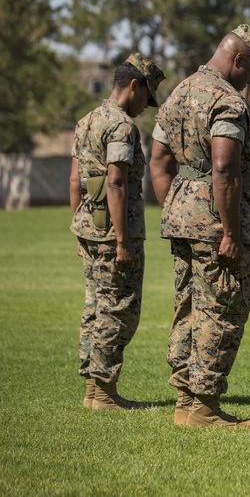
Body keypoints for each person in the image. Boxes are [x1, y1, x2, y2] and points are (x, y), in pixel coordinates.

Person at [148, 24, 250, 428]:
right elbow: (224, 168)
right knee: (221, 307)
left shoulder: (178, 93)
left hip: (183, 219)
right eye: (249, 72)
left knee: (188, 306)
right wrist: (231, 233)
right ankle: (203, 406)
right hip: (216, 224)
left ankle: (186, 397)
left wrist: (178, 207)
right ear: (238, 60)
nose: (248, 84)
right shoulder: (225, 101)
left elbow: (159, 162)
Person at [70, 53, 164, 410]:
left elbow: (75, 180)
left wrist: (76, 227)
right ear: (134, 86)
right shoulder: (121, 126)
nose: (146, 106)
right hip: (114, 234)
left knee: (95, 307)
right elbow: (116, 182)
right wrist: (123, 241)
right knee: (119, 309)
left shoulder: (85, 122)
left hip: (90, 230)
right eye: (147, 97)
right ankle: (105, 393)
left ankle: (94, 391)